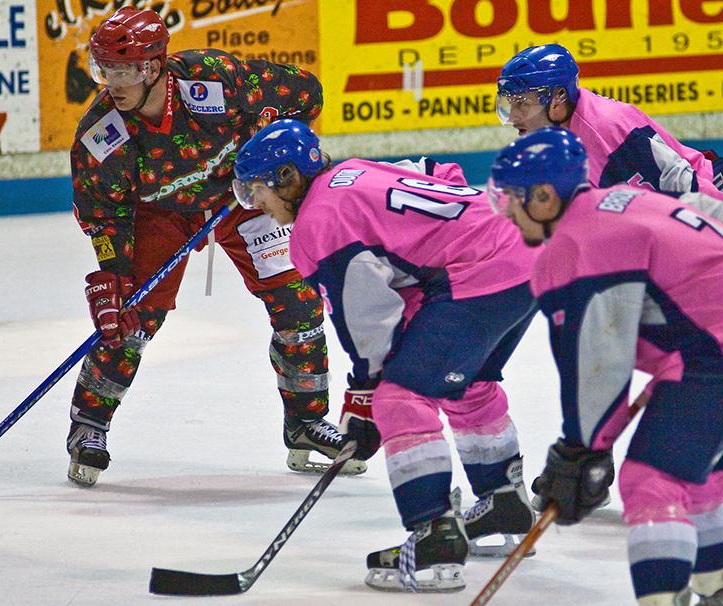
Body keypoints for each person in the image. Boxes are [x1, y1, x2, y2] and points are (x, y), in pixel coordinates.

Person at [232, 118, 540, 592]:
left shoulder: (318, 223)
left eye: (257, 191)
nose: (256, 206)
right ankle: (505, 502)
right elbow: (441, 170)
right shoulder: (355, 171)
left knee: (401, 395)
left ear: (290, 178)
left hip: (478, 275)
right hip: (523, 254)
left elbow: (368, 315)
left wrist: (366, 391)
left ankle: (434, 540)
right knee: (466, 382)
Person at [66, 7, 365, 487]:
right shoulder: (102, 134)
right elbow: (104, 213)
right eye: (105, 70)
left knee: (297, 300)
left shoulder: (215, 80)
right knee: (131, 315)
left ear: (154, 66)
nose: (112, 82)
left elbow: (307, 93)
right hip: (159, 214)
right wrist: (113, 274)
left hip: (240, 196)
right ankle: (89, 424)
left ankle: (305, 422)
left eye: (123, 70)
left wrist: (271, 133)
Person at [489, 126, 723, 606]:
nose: (507, 211)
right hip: (703, 349)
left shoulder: (575, 245)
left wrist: (583, 449)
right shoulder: (622, 200)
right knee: (698, 469)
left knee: (653, 479)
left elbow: (598, 358)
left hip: (710, 354)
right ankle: (716, 581)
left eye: (512, 198)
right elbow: (709, 212)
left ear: (544, 196)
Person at [496, 44, 723, 199]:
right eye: (511, 104)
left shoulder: (605, 128)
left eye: (522, 103)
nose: (514, 116)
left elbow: (684, 189)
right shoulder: (561, 130)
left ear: (558, 98)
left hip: (712, 189)